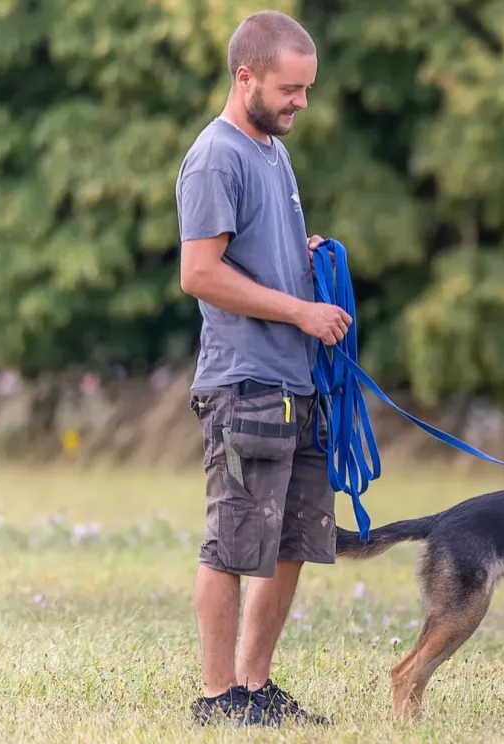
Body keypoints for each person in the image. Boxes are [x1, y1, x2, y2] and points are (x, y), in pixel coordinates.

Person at [175, 9, 351, 726]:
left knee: (291, 543)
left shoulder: (272, 152)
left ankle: (255, 686)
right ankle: (218, 698)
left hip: (296, 379)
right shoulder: (216, 156)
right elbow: (200, 273)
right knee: (233, 543)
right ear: (244, 76)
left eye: (306, 89)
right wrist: (300, 312)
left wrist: (302, 261)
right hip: (244, 384)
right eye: (289, 89)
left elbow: (250, 258)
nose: (300, 103)